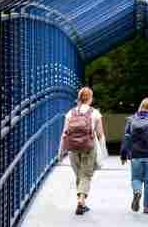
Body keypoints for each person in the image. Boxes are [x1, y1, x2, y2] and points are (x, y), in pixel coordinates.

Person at [60, 86, 105, 215]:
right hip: (88, 147)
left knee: (80, 174)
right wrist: (102, 150)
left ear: (79, 98)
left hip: (72, 148)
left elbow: (64, 133)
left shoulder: (70, 113)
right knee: (86, 175)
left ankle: (82, 202)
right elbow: (100, 133)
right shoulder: (95, 113)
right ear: (90, 98)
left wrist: (61, 151)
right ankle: (81, 201)